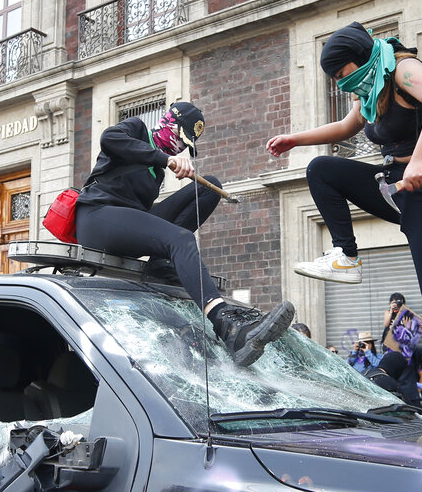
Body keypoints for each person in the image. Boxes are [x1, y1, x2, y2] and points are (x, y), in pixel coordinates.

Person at [266, 22, 422, 436]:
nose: (340, 82)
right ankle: (346, 255)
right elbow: (346, 129)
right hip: (394, 187)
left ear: (357, 59)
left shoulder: (402, 69)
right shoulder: (371, 88)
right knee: (322, 169)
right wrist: (295, 139)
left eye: (340, 73)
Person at [75, 102, 295, 367]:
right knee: (180, 238)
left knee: (210, 186)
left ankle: (160, 263)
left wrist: (163, 164)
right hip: (97, 218)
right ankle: (226, 325)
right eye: (180, 140)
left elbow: (141, 213)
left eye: (185, 146)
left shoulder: (156, 173)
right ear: (169, 124)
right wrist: (164, 159)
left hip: (127, 223)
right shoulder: (136, 129)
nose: (180, 149)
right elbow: (109, 139)